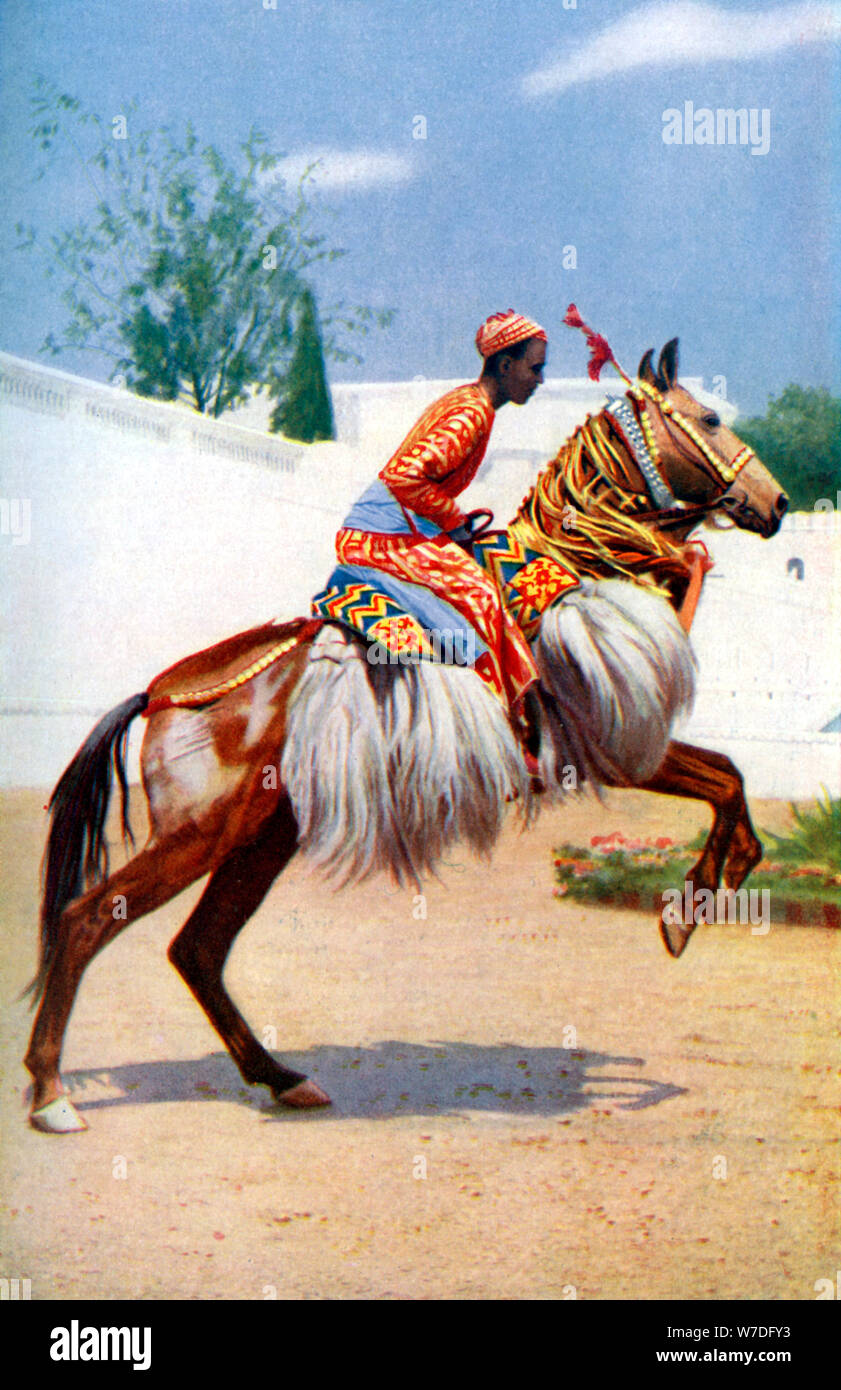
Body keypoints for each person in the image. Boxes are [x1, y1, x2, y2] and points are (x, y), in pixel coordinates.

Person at [334, 310, 548, 744]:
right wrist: (453, 520)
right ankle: (491, 731)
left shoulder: (473, 404)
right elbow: (404, 477)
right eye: (535, 368)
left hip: (404, 529)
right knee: (482, 596)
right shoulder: (470, 414)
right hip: (383, 539)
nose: (539, 379)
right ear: (505, 366)